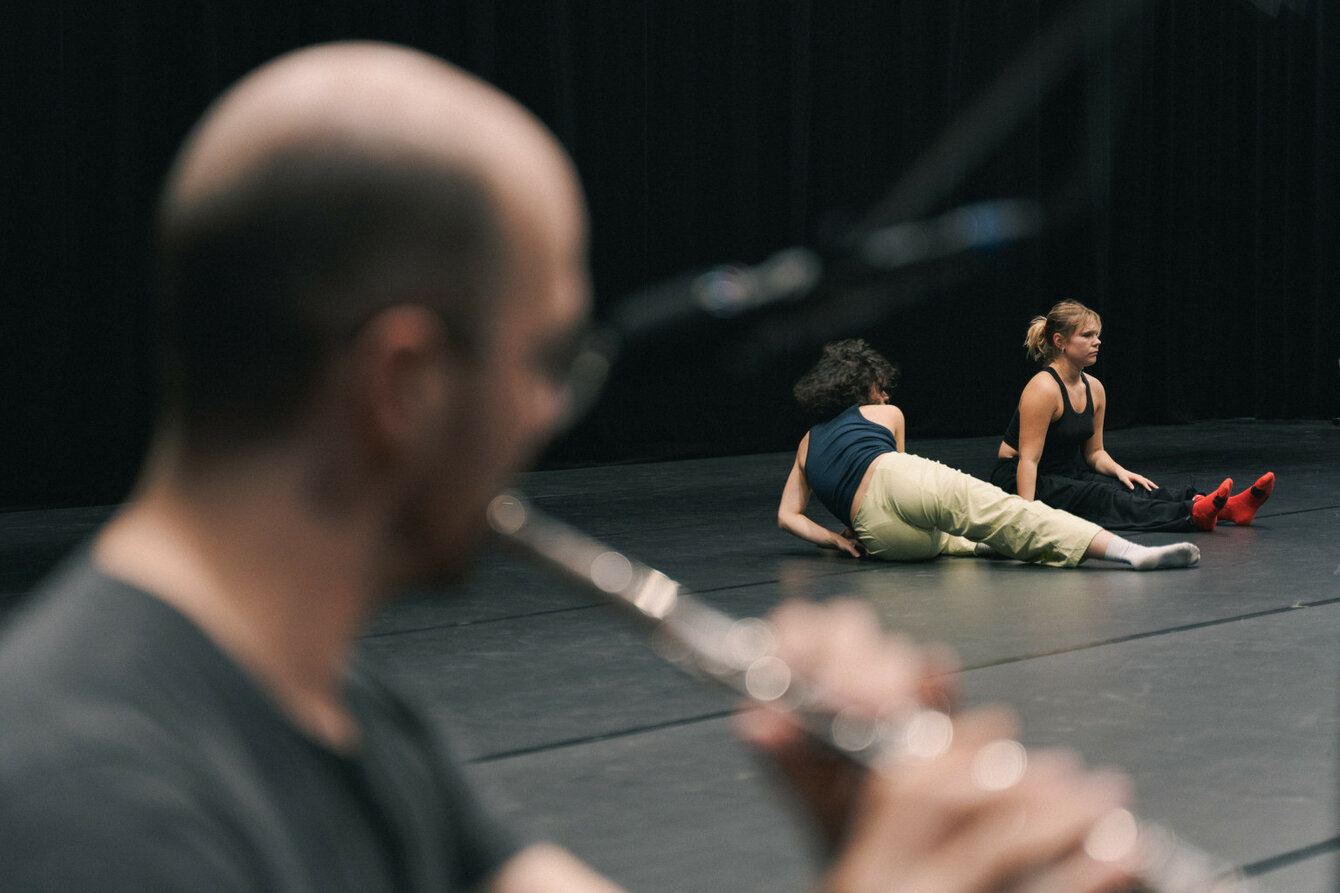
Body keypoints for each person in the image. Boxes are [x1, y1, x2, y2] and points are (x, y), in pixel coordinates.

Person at [0, 43, 1142, 893]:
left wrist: (851, 835)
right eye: (545, 357)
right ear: (403, 382)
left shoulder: (344, 716)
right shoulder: (82, 796)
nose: (551, 413)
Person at [779, 339, 1201, 570]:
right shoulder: (886, 412)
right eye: (878, 384)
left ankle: (994, 547)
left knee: (958, 540)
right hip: (891, 478)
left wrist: (837, 539)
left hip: (878, 538)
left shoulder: (805, 444)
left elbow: (788, 516)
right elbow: (901, 469)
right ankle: (1131, 553)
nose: (885, 391)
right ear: (860, 387)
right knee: (1002, 513)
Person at [990, 300, 1275, 532]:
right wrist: (1025, 517)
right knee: (1103, 497)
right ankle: (1193, 514)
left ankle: (1229, 508)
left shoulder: (1095, 389)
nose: (1097, 342)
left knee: (1131, 487)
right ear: (1060, 341)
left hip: (1062, 472)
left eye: (1097, 335)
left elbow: (1095, 453)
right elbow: (1028, 461)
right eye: (1087, 336)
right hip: (1022, 478)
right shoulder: (1043, 388)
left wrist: (1120, 471)